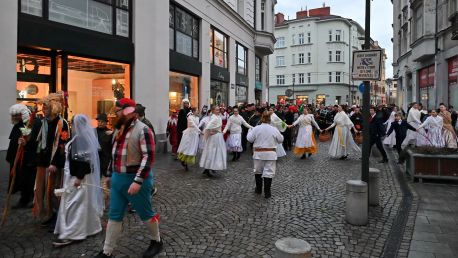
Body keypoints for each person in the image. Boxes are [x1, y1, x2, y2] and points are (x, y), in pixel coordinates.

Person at [95, 98, 162, 258]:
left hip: (136, 180)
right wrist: (110, 175)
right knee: (114, 215)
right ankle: (107, 251)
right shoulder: (118, 130)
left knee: (146, 213)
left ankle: (156, 241)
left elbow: (149, 157)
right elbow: (114, 155)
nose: (115, 114)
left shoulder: (143, 130)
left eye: (117, 111)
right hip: (119, 179)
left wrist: (138, 181)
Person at [53, 114, 103, 247]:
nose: (71, 126)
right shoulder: (75, 138)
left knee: (75, 203)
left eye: (73, 124)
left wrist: (79, 178)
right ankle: (89, 227)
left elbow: (85, 161)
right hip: (71, 175)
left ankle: (74, 232)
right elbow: (68, 157)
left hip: (78, 178)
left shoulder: (82, 140)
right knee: (75, 202)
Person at [34, 92, 69, 226]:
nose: (43, 109)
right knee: (40, 190)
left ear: (54, 107)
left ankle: (56, 216)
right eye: (43, 106)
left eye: (46, 107)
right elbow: (39, 142)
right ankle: (47, 214)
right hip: (43, 162)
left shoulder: (62, 124)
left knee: (53, 191)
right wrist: (25, 142)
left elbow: (62, 145)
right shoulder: (44, 122)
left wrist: (55, 163)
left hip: (54, 164)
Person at [6, 104, 41, 209]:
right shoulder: (18, 124)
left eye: (18, 115)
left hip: (28, 158)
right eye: (14, 115)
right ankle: (24, 198)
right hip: (18, 158)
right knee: (21, 179)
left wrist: (26, 143)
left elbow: (36, 141)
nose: (15, 117)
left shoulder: (33, 123)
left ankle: (31, 199)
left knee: (29, 180)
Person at [247, 111, 284, 198]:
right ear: (270, 120)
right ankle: (267, 192)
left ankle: (259, 189)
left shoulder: (256, 128)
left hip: (258, 154)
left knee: (258, 171)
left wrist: (249, 131)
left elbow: (250, 139)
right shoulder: (274, 129)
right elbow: (280, 140)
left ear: (261, 118)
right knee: (269, 172)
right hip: (270, 154)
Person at [200, 105, 227, 177]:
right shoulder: (214, 118)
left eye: (219, 110)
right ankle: (208, 168)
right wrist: (210, 132)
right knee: (212, 152)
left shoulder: (218, 117)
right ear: (213, 111)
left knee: (215, 152)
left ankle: (210, 168)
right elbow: (208, 127)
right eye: (217, 110)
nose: (218, 111)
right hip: (214, 138)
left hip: (218, 137)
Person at [95, 113, 113, 207]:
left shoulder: (109, 133)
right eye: (99, 121)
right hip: (96, 160)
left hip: (106, 159)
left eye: (102, 121)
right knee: (96, 181)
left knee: (106, 182)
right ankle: (99, 201)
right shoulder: (93, 132)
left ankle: (106, 201)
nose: (100, 123)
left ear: (106, 122)